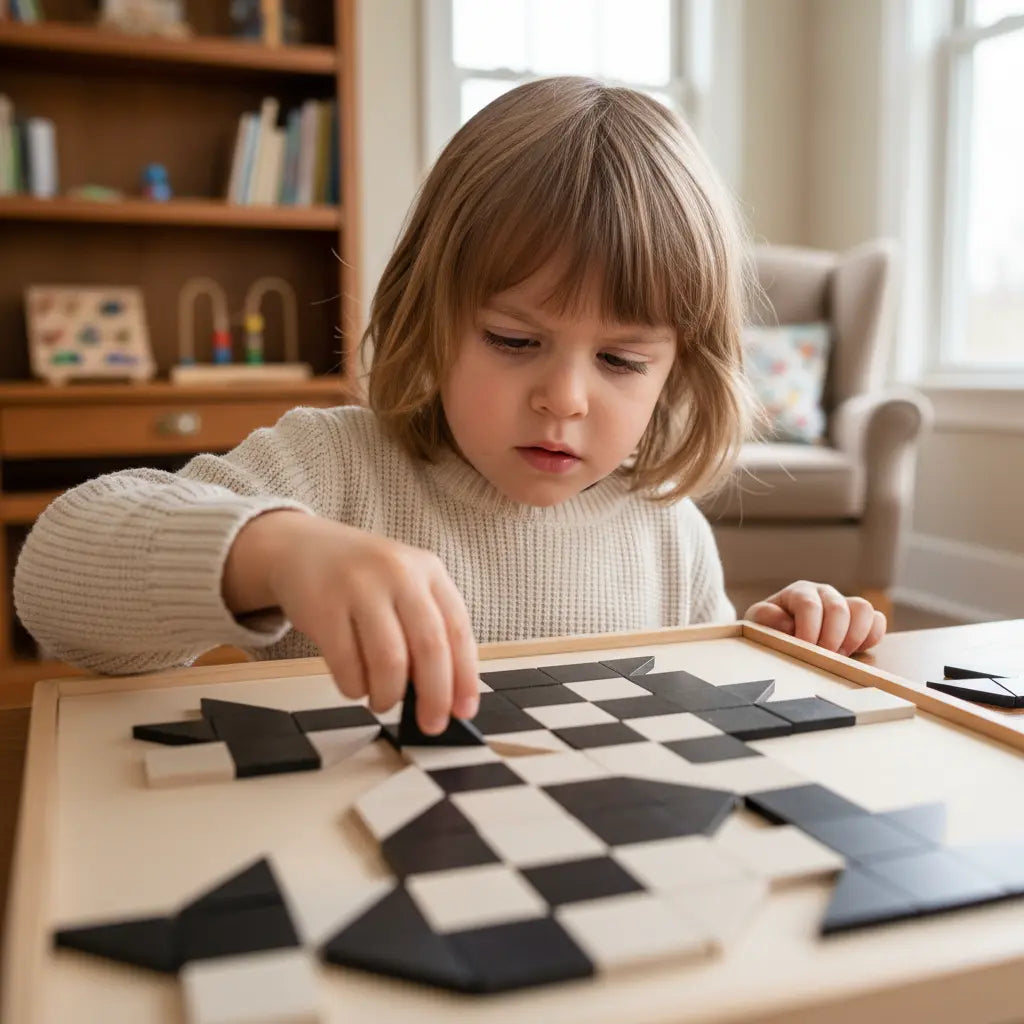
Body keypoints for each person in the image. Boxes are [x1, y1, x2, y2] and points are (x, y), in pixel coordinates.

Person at [14, 78, 886, 736]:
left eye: (622, 360)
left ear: (677, 372)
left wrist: (766, 645)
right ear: (429, 318)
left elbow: (684, 724)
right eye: (514, 341)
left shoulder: (666, 530)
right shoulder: (334, 469)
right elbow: (51, 585)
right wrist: (274, 552)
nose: (565, 398)